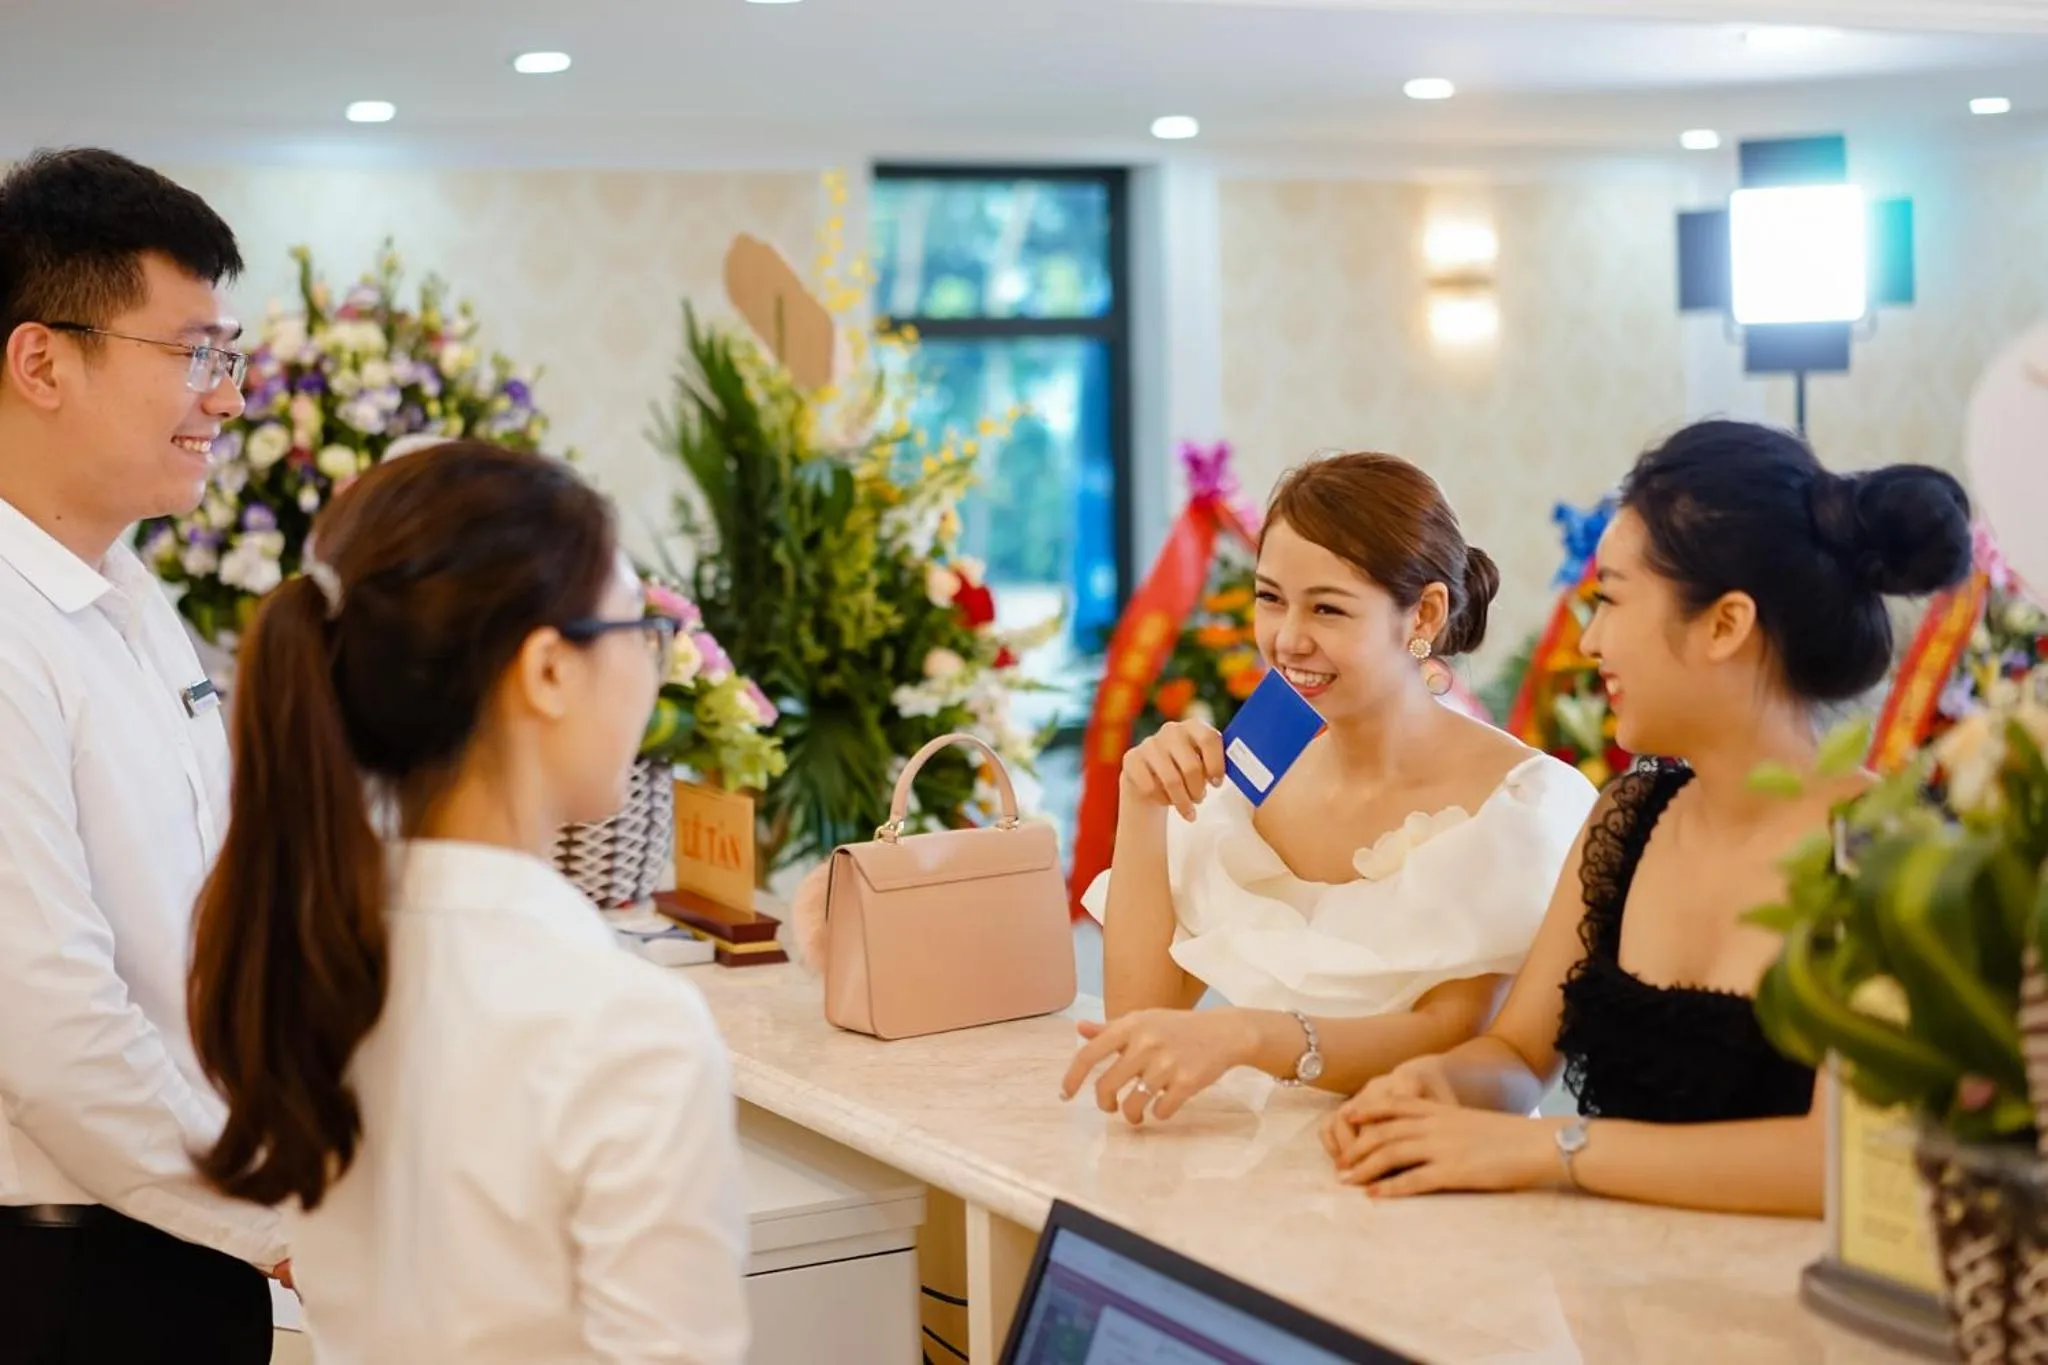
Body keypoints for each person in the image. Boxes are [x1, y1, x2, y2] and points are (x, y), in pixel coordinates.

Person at [186, 442, 749, 1363]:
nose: (652, 669)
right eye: (636, 631)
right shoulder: (625, 1025)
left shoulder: (314, 962)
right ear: (548, 672)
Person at [1324, 420, 1974, 1217]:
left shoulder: (1888, 847)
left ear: (1725, 624)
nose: (1590, 640)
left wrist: (1548, 1149)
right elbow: (1520, 1050)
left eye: (1611, 600)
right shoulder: (1628, 817)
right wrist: (1441, 1085)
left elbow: (1841, 1160)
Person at [1063, 452, 1599, 1125]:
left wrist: (1252, 1035)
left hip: (1426, 1178)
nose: (1288, 639)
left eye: (1328, 608)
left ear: (1425, 614)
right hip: (1253, 1181)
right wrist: (1143, 805)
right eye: (1270, 598)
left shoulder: (1519, 802)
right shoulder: (1254, 774)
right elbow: (1143, 1021)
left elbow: (1457, 1037)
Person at [0, 147, 286, 1363]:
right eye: (193, 355)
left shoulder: (128, 593)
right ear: (42, 359)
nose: (225, 397)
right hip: (63, 1263)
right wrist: (275, 1219)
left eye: (228, 359)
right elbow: (49, 1021)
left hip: (179, 1224)